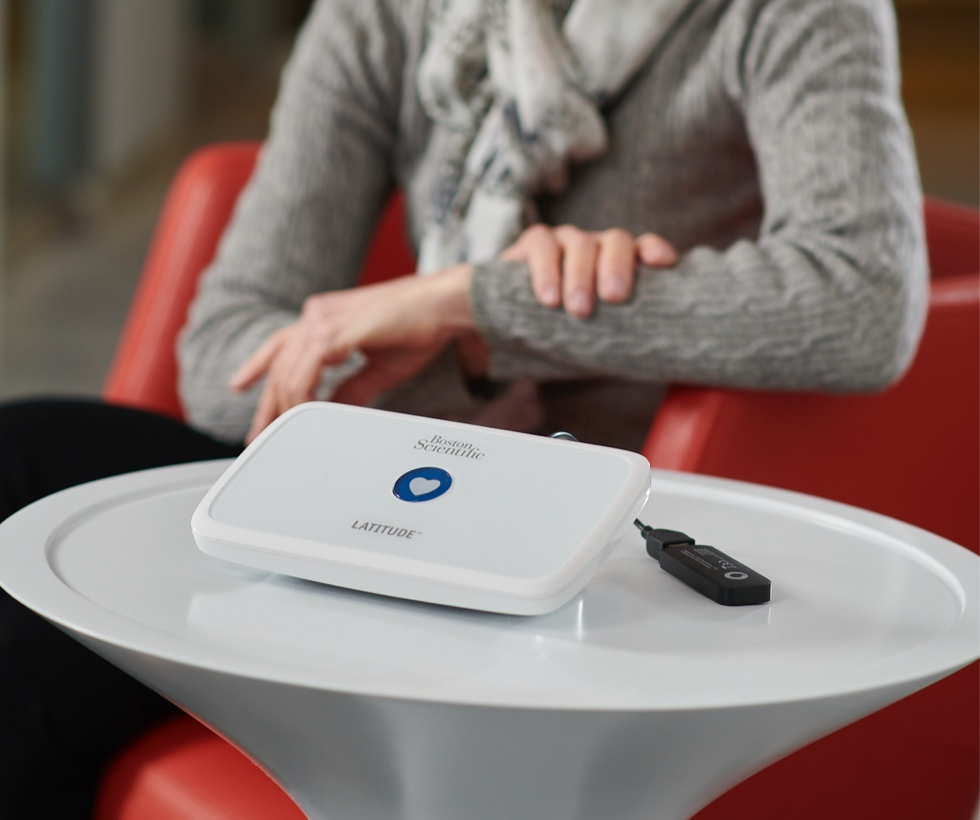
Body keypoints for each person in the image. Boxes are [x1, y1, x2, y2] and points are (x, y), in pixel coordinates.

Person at [0, 0, 926, 815]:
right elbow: (224, 360)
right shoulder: (387, 15)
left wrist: (479, 306)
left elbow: (861, 299)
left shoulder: (787, 11)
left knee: (37, 655)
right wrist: (462, 343)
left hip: (586, 557)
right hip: (382, 488)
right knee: (25, 460)